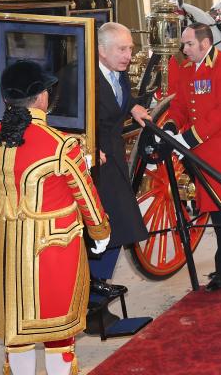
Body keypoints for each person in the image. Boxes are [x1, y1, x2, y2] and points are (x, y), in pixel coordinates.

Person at [0, 60, 111, 374]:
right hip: (50, 251)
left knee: (15, 333)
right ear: (42, 98)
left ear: (7, 98)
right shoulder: (62, 144)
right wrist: (100, 232)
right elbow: (86, 198)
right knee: (58, 335)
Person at [163, 23, 221, 292]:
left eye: (189, 44)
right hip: (201, 148)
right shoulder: (187, 68)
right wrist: (171, 125)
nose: (184, 49)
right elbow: (180, 104)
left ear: (205, 44)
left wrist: (188, 138)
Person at [90, 22, 151, 326]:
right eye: (122, 49)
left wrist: (134, 107)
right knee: (106, 229)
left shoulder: (118, 70)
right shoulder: (82, 77)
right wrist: (87, 148)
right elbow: (63, 118)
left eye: (130, 48)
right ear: (101, 50)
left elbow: (119, 101)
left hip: (113, 158)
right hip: (92, 164)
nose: (129, 55)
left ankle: (97, 297)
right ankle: (92, 301)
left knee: (118, 227)